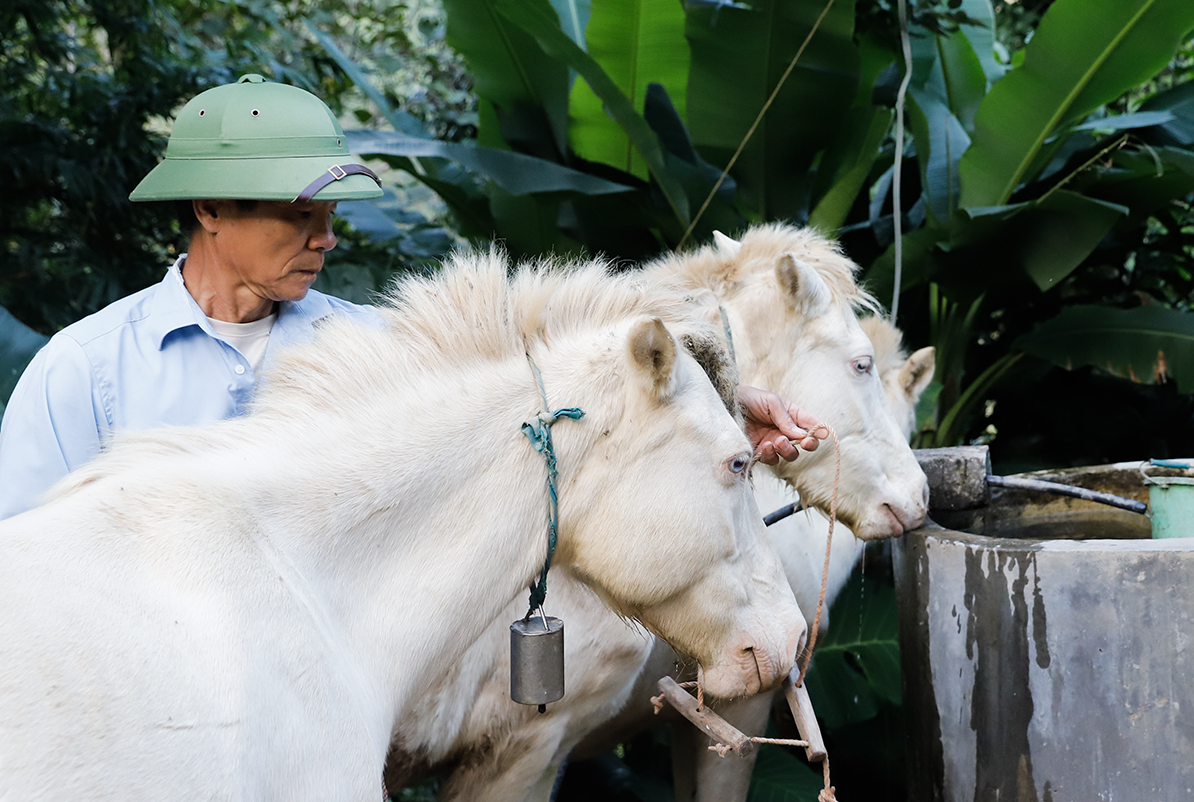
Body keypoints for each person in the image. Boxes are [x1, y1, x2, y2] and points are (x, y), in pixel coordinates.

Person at [0, 76, 823, 520]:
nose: (326, 238)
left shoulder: (375, 353)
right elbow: (27, 569)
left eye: (329, 215)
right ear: (209, 210)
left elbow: (541, 376)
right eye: (298, 215)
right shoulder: (87, 370)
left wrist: (716, 396)